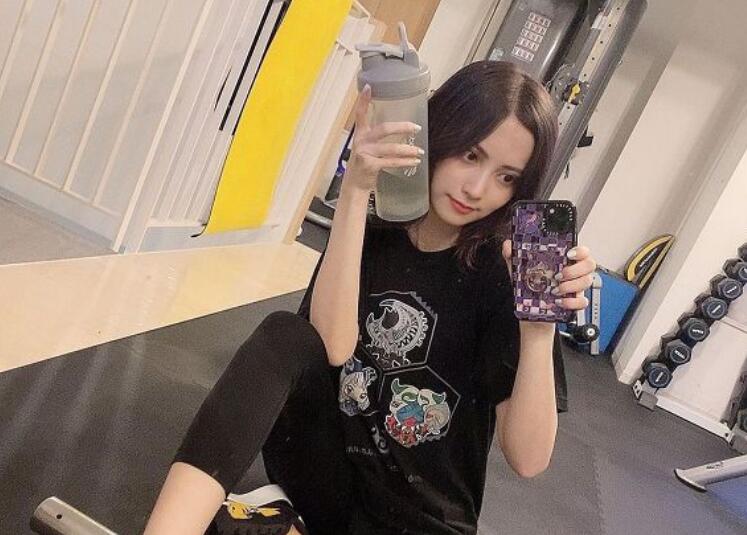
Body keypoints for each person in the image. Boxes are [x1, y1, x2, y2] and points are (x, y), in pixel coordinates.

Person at [143, 60, 597, 535]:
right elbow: (330, 346)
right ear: (435, 134)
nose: (477, 188)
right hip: (326, 487)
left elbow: (528, 460)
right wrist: (356, 192)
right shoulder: (374, 231)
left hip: (420, 523)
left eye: (506, 177)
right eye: (470, 155)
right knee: (284, 334)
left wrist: (538, 332)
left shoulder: (503, 275)